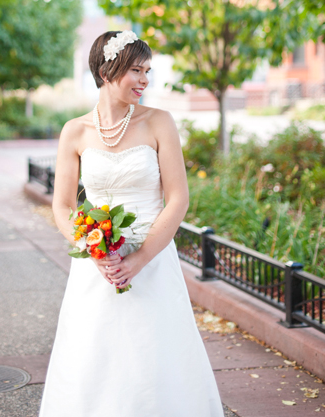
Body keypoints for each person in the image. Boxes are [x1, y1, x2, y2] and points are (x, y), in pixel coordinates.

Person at [38, 30, 222, 416]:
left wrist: (139, 261)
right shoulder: (75, 131)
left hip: (152, 263)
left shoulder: (159, 123)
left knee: (154, 356)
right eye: (136, 70)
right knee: (93, 358)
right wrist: (93, 249)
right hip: (96, 267)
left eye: (147, 71)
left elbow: (178, 199)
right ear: (107, 70)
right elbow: (63, 206)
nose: (144, 80)